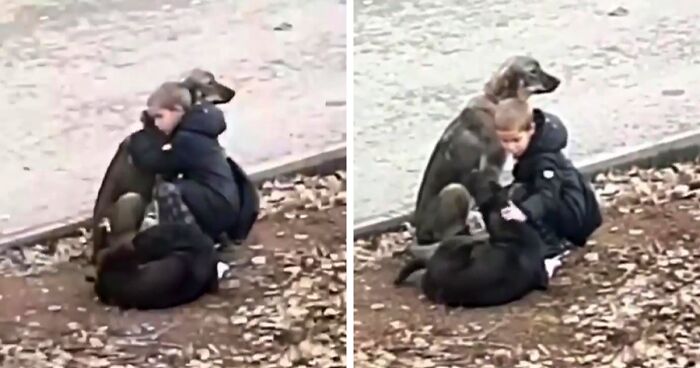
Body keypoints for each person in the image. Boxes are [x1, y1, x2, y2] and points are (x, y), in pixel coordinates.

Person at [126, 81, 240, 242]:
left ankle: (188, 242)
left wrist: (138, 141)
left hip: (218, 207)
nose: (156, 124)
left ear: (177, 111)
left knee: (166, 190)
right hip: (223, 204)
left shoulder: (187, 139)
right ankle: (208, 237)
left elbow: (154, 162)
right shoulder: (197, 130)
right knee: (179, 186)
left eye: (159, 116)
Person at [493, 98, 602, 258]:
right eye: (504, 141)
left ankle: (555, 244)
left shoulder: (545, 160)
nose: (510, 147)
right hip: (564, 202)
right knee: (517, 194)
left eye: (516, 140)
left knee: (521, 196)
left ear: (531, 130)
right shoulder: (534, 148)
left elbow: (548, 194)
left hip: (573, 213)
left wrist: (524, 211)